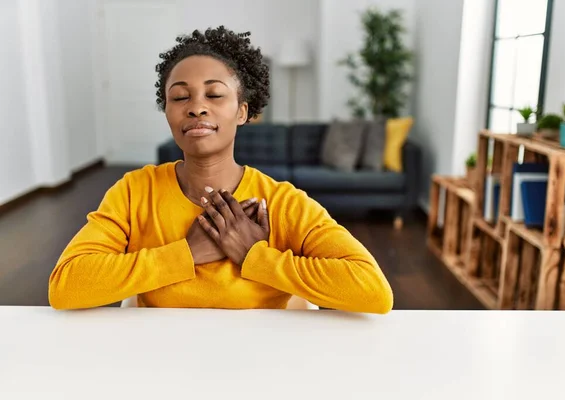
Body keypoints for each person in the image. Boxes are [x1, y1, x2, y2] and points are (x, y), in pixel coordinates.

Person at [48, 26, 393, 313]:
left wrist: (254, 256)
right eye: (180, 97)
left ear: (242, 112)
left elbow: (373, 291)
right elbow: (66, 286)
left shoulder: (282, 202)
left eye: (214, 95)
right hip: (160, 363)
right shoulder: (134, 191)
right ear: (167, 111)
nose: (196, 107)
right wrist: (187, 253)